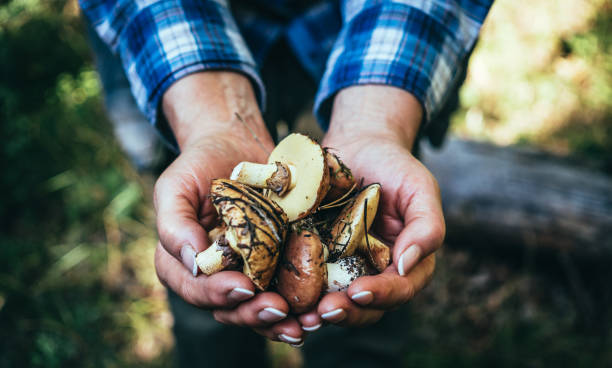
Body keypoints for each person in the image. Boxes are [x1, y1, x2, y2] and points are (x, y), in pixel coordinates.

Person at [81, 0, 493, 366]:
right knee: (199, 261)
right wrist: (212, 120)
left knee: (364, 315)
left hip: (355, 43)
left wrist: (375, 120)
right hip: (182, 56)